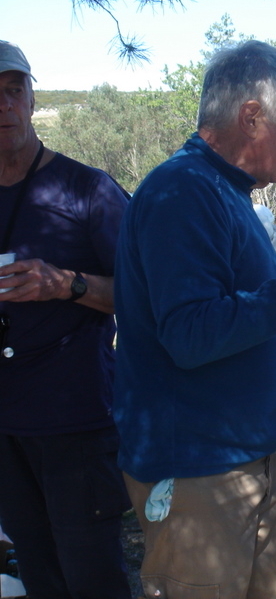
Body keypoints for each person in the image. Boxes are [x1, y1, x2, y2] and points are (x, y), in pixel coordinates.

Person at [113, 40, 276, 599]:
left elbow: (226, 317)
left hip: (248, 462)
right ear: (253, 116)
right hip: (198, 473)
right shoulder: (182, 193)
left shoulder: (226, 195)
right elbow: (190, 335)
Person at [0, 41, 132, 598]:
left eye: (14, 90)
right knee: (40, 574)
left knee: (93, 578)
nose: (4, 105)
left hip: (75, 421)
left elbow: (146, 296)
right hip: (6, 427)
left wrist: (67, 284)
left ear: (32, 98)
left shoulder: (87, 189)